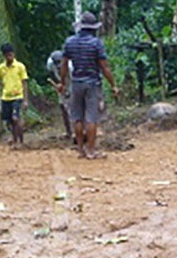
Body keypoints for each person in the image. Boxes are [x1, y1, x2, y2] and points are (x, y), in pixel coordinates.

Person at [60, 11, 120, 159]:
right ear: (93, 28)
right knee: (91, 117)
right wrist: (113, 84)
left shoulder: (70, 42)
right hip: (92, 83)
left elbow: (64, 64)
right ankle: (91, 150)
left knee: (78, 117)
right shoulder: (96, 43)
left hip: (76, 83)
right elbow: (104, 66)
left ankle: (80, 149)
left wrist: (63, 82)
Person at [0, 43, 30, 147]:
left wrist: (26, 100)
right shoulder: (1, 68)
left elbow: (24, 82)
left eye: (11, 54)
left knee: (15, 118)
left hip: (17, 96)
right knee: (8, 121)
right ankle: (14, 139)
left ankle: (21, 141)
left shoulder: (19, 67)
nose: (9, 57)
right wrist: (1, 84)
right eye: (7, 55)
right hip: (6, 97)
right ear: (4, 56)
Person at [45, 49, 74, 141]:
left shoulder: (70, 66)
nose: (58, 66)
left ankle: (77, 131)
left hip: (71, 83)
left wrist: (68, 91)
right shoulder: (50, 64)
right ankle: (68, 131)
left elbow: (73, 80)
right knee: (63, 106)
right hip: (60, 84)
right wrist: (58, 85)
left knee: (72, 107)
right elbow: (51, 75)